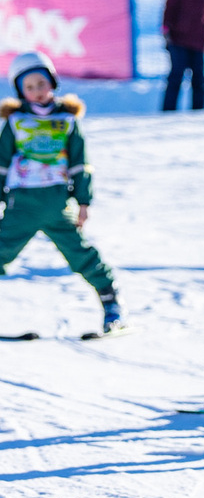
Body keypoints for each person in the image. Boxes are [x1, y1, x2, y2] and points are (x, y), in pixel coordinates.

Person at [0, 52, 124, 335]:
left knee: (80, 253)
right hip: (22, 203)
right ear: (20, 91)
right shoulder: (16, 121)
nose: (37, 92)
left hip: (57, 202)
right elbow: (1, 163)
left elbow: (80, 164)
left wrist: (83, 201)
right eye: (28, 87)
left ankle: (112, 305)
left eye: (41, 84)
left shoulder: (67, 121)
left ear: (52, 83)